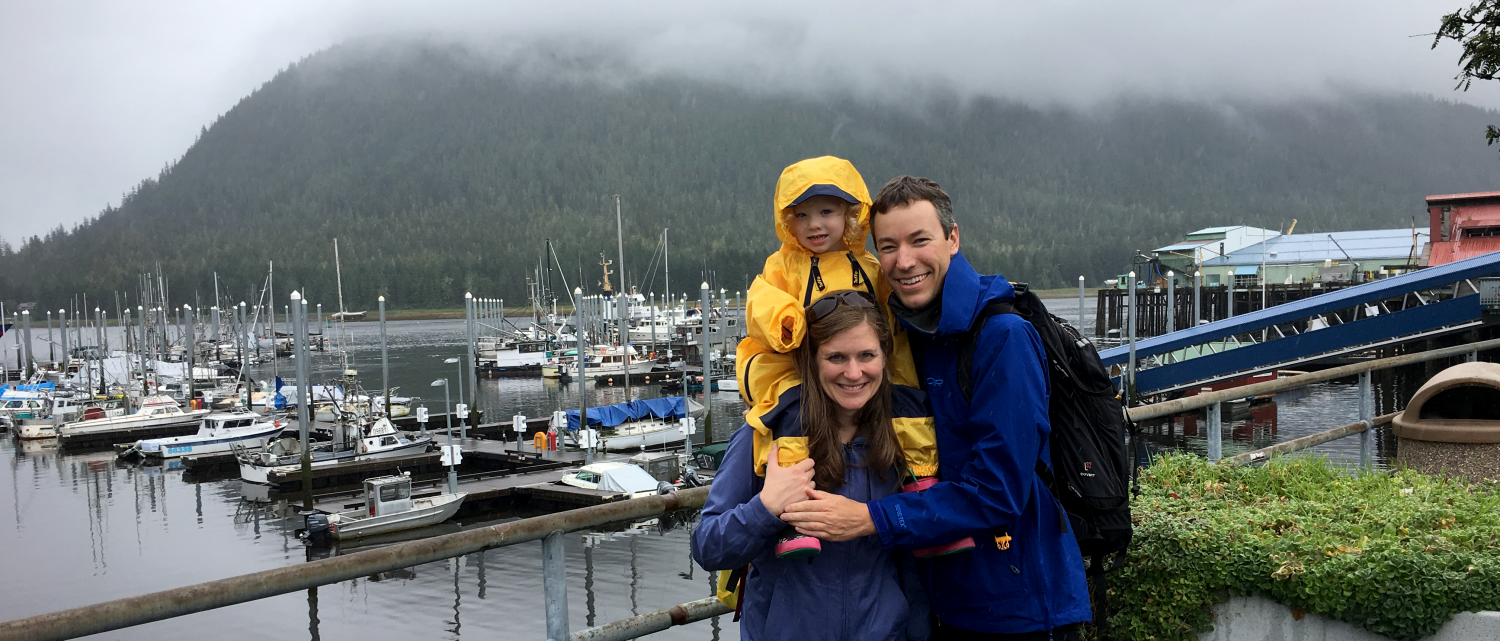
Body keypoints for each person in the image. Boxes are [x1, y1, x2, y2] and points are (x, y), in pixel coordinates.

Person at [781, 176, 1092, 639]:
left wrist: (869, 518)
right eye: (887, 246)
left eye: (919, 240)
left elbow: (999, 489)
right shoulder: (911, 337)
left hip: (1019, 607)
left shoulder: (1002, 337)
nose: (904, 261)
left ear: (953, 238)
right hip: (941, 602)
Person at [736, 156, 954, 555]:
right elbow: (761, 302)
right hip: (797, 367)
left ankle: (920, 487)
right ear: (787, 221)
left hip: (877, 361)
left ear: (850, 214)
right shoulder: (782, 265)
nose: (814, 224)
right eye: (801, 215)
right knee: (791, 420)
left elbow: (896, 300)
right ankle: (796, 514)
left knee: (909, 405)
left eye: (826, 212)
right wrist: (787, 322)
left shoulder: (870, 265)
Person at [693, 292, 931, 641]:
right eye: (836, 357)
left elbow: (913, 563)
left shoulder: (905, 438)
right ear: (813, 361)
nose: (854, 373)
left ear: (885, 357)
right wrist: (766, 507)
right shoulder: (765, 435)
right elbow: (708, 547)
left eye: (867, 355)